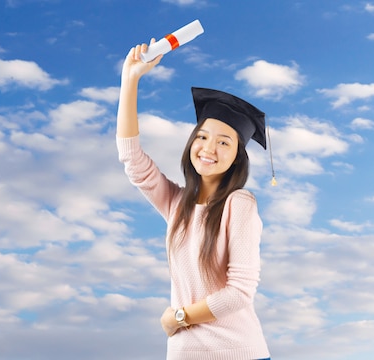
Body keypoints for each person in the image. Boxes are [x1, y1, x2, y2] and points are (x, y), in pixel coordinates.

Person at [116, 40, 271, 360]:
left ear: (237, 158)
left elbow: (239, 294)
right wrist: (129, 81)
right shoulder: (176, 204)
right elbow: (132, 160)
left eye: (224, 142)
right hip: (184, 353)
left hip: (237, 353)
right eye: (202, 136)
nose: (209, 149)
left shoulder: (239, 204)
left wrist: (178, 317)